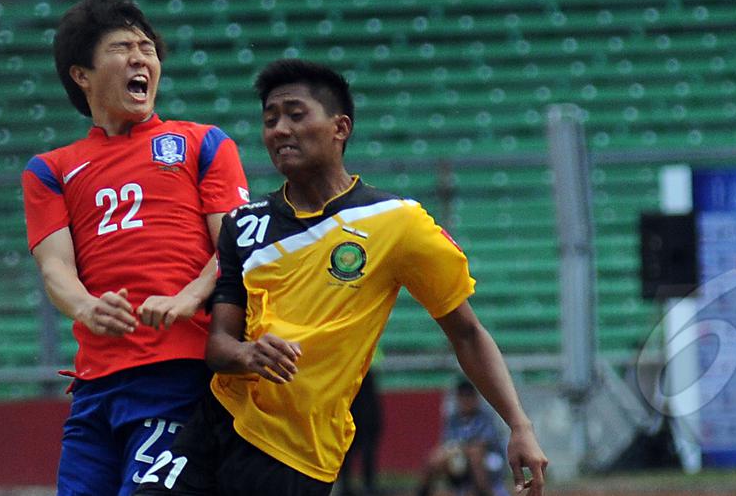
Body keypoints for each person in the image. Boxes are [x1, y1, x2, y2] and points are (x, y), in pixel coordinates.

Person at [134, 59, 548, 496]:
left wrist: (519, 425)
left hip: (293, 455)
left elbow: (466, 333)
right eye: (270, 119)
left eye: (296, 114)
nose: (279, 129)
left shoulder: (396, 222)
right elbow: (219, 345)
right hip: (216, 422)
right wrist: (249, 355)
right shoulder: (243, 224)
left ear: (340, 127)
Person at [22, 0, 250, 496]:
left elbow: (236, 247)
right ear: (81, 74)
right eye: (122, 47)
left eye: (147, 47)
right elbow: (55, 268)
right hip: (95, 388)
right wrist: (85, 307)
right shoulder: (50, 170)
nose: (140, 58)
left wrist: (188, 297)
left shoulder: (203, 143)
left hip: (179, 376)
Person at [415, 379, 511, 496]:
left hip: (490, 459)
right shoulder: (453, 419)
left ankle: (484, 492)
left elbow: (484, 443)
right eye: (462, 397)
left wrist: (461, 449)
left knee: (475, 453)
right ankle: (423, 492)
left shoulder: (485, 417)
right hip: (462, 457)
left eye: (469, 397)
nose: (466, 401)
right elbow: (447, 443)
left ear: (475, 398)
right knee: (436, 457)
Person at [339, 367, 382, 496]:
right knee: (350, 451)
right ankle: (359, 487)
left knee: (358, 451)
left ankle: (362, 486)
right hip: (359, 410)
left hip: (359, 410)